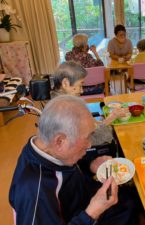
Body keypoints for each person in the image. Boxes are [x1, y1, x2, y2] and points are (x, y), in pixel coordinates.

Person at [9, 95, 136, 225]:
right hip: (79, 216)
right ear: (60, 141)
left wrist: (90, 164)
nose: (89, 145)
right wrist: (92, 212)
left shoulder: (44, 144)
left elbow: (67, 164)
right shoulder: (34, 192)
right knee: (128, 207)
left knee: (130, 196)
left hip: (79, 195)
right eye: (86, 138)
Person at [51, 61, 128, 146]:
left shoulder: (61, 101)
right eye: (80, 85)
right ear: (65, 83)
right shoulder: (65, 109)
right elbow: (89, 140)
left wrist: (100, 121)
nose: (82, 90)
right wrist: (111, 117)